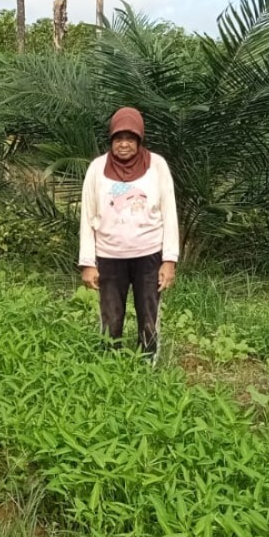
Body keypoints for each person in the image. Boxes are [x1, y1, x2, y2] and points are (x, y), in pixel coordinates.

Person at [77, 106, 179, 355]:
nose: (124, 145)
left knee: (148, 313)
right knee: (111, 316)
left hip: (149, 255)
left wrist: (169, 260)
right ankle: (109, 364)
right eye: (118, 138)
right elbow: (87, 216)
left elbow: (169, 212)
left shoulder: (157, 166)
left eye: (130, 138)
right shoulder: (96, 169)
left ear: (139, 139)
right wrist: (88, 263)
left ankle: (147, 364)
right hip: (109, 256)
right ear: (111, 139)